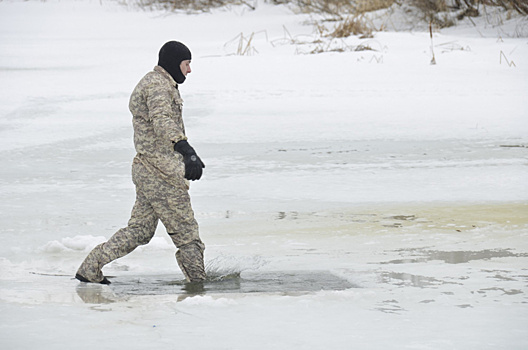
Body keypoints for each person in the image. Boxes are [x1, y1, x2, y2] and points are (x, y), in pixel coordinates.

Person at [75, 41, 206, 284]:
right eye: (187, 64)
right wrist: (185, 148)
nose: (189, 70)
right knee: (187, 235)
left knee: (140, 230)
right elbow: (162, 119)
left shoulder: (156, 82)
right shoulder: (157, 86)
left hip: (148, 169)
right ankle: (198, 284)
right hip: (161, 173)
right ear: (174, 62)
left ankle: (90, 268)